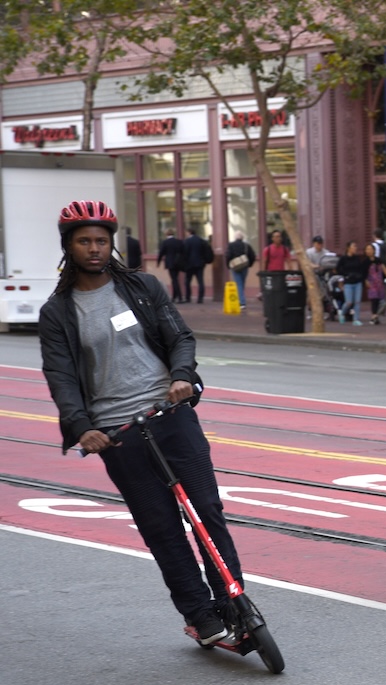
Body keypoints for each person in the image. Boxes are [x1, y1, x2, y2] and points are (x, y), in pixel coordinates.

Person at [39, 201, 244, 646]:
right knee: (161, 528)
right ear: (68, 247)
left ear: (112, 243)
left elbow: (180, 338)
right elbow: (61, 376)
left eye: (101, 240)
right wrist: (80, 427)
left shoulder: (143, 288)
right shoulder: (57, 312)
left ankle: (234, 604)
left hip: (169, 415)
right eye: (84, 241)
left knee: (207, 511)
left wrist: (182, 377)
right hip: (117, 435)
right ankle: (200, 616)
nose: (94, 249)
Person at [335, 240, 371, 325]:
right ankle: (342, 313)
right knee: (349, 302)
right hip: (348, 282)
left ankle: (356, 319)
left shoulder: (357, 258)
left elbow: (361, 269)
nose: (355, 248)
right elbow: (338, 269)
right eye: (353, 247)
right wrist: (345, 275)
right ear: (348, 248)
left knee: (357, 302)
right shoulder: (343, 259)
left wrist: (361, 277)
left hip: (357, 282)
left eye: (356, 247)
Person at [225, 232, 256, 310]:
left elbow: (228, 255)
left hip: (235, 266)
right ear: (242, 238)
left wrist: (228, 265)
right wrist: (250, 264)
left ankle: (242, 302)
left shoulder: (231, 245)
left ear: (235, 237)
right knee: (242, 283)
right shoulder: (246, 245)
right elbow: (252, 256)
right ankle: (241, 299)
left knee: (239, 284)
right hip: (244, 266)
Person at [182, 227, 212, 304]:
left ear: (189, 232)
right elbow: (206, 251)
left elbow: (185, 253)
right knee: (200, 281)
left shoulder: (187, 241)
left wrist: (184, 263)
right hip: (200, 264)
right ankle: (200, 298)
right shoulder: (201, 240)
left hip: (190, 265)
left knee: (187, 281)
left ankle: (188, 297)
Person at [363, 241, 386, 323]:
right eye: (367, 249)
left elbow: (383, 268)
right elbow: (363, 273)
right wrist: (365, 281)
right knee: (374, 299)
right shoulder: (365, 262)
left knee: (381, 301)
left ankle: (375, 316)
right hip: (371, 283)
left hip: (379, 283)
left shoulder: (378, 260)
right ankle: (374, 316)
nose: (369, 251)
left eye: (370, 249)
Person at [157, 229, 186, 301]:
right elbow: (183, 251)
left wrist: (158, 262)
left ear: (166, 234)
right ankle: (175, 296)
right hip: (178, 263)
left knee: (174, 279)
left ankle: (179, 297)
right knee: (175, 279)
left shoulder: (165, 242)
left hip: (170, 263)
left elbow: (161, 253)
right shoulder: (179, 241)